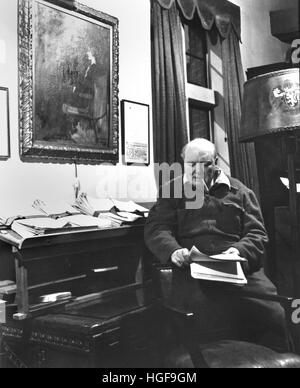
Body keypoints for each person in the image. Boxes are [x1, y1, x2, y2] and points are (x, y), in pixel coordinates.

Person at [144, 138, 289, 351]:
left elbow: (257, 233)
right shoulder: (172, 190)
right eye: (191, 164)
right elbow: (157, 228)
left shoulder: (240, 191)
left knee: (280, 316)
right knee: (186, 329)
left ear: (215, 164)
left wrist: (239, 251)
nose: (196, 169)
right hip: (193, 271)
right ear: (183, 163)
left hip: (239, 269)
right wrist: (173, 250)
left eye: (204, 164)